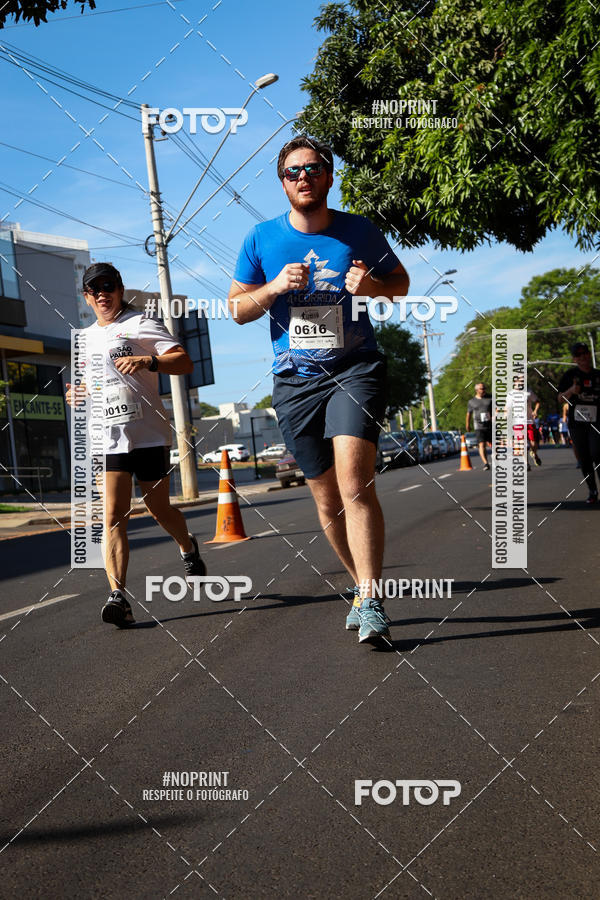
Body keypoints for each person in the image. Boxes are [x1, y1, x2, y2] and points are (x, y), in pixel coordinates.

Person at [228, 135, 410, 643]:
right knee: (327, 499)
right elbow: (237, 309)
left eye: (313, 169)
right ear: (282, 182)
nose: (303, 177)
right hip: (294, 381)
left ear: (329, 177)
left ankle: (372, 600)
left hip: (356, 367)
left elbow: (401, 282)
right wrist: (274, 288)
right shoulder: (260, 239)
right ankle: (360, 589)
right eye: (293, 172)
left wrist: (372, 287)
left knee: (355, 485)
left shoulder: (360, 231)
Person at [65, 263, 206, 627]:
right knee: (113, 516)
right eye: (94, 290)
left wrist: (149, 360)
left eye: (107, 286)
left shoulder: (140, 323)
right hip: (105, 438)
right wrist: (77, 394)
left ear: (119, 288)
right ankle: (119, 597)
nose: (102, 294)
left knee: (159, 510)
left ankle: (187, 546)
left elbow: (184, 361)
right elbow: (91, 385)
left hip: (146, 436)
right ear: (86, 298)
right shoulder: (83, 338)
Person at [557, 341, 600, 503]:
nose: (583, 357)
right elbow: (559, 398)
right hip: (578, 423)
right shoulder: (569, 375)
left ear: (590, 354)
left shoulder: (598, 375)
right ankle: (592, 490)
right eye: (578, 355)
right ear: (574, 358)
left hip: (597, 420)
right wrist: (571, 391)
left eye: (585, 353)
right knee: (584, 457)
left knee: (597, 452)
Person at [466, 383, 492, 469]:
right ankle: (486, 463)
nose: (484, 390)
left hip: (490, 424)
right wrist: (467, 424)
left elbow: (497, 409)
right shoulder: (471, 401)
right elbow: (468, 414)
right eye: (482, 388)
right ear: (477, 390)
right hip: (478, 426)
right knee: (481, 444)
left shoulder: (490, 398)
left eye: (484, 388)